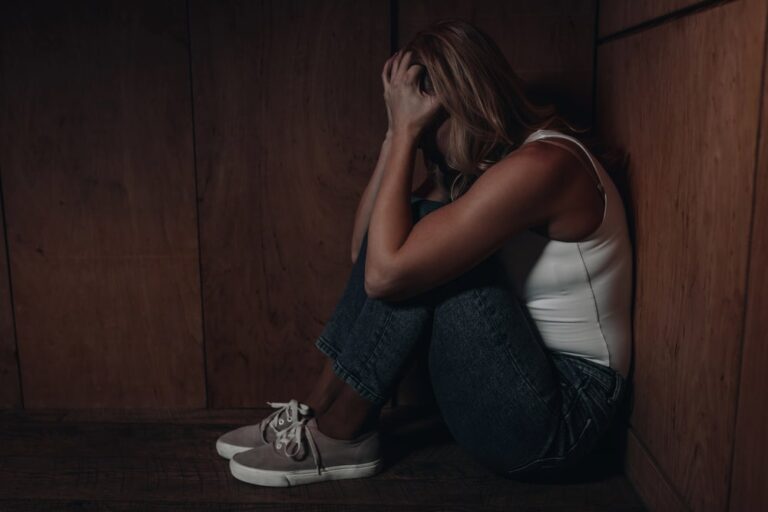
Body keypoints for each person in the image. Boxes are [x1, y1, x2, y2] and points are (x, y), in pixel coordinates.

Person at [216, 19, 633, 487]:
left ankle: (342, 433)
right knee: (409, 231)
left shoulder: (545, 164)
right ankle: (316, 413)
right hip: (518, 383)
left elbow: (384, 273)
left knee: (415, 253)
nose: (426, 140)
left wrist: (406, 133)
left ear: (465, 106)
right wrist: (396, 137)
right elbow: (364, 252)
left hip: (566, 418)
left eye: (428, 122)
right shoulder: (488, 165)